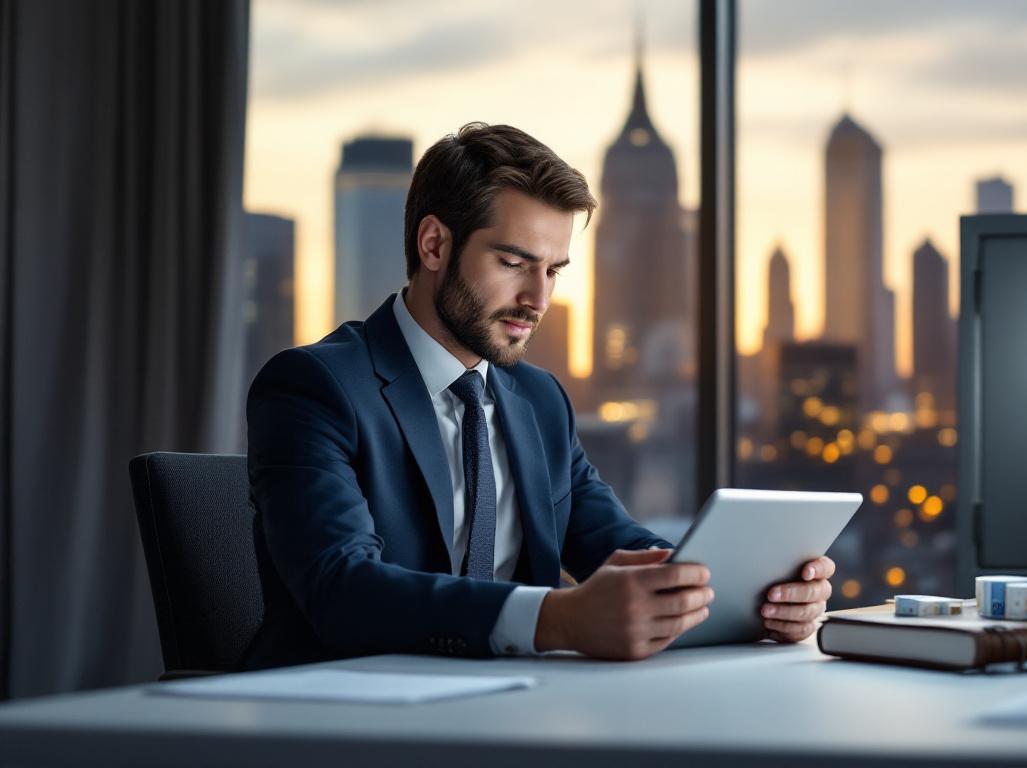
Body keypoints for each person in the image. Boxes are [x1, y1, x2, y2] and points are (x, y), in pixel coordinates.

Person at [242, 122, 833, 670]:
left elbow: (617, 545)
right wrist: (558, 618)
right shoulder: (316, 387)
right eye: (513, 263)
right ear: (434, 245)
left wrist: (752, 595)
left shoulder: (539, 399)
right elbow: (342, 590)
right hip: (341, 713)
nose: (538, 300)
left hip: (519, 707)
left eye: (553, 271)